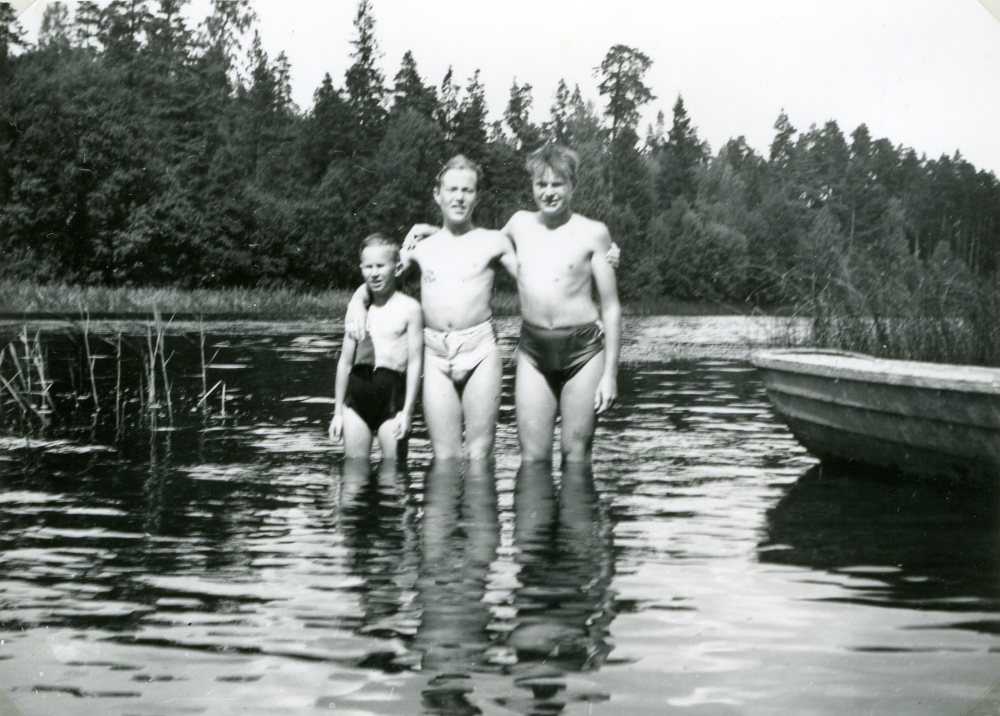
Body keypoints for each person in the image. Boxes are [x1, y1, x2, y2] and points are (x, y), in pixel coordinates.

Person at [346, 155, 518, 461]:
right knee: (445, 456)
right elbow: (380, 277)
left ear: (477, 195)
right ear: (437, 194)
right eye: (452, 190)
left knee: (479, 454)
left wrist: (602, 259)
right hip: (436, 355)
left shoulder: (494, 241)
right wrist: (357, 302)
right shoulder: (420, 249)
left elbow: (537, 280)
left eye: (467, 190)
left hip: (480, 349)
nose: (459, 197)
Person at [502, 143, 621, 464]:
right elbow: (477, 245)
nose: (549, 192)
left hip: (583, 351)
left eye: (558, 184)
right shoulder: (519, 224)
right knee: (532, 457)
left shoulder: (594, 233)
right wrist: (431, 229)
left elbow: (610, 308)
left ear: (573, 186)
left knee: (576, 455)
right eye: (542, 184)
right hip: (533, 349)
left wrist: (610, 374)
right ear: (532, 186)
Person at [330, 234, 423, 465]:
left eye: (381, 266)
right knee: (353, 472)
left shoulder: (410, 309)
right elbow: (344, 363)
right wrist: (338, 413)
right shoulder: (358, 310)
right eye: (368, 267)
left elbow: (415, 364)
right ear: (361, 268)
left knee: (393, 473)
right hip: (356, 400)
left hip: (392, 401)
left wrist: (407, 412)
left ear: (397, 267)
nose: (375, 273)